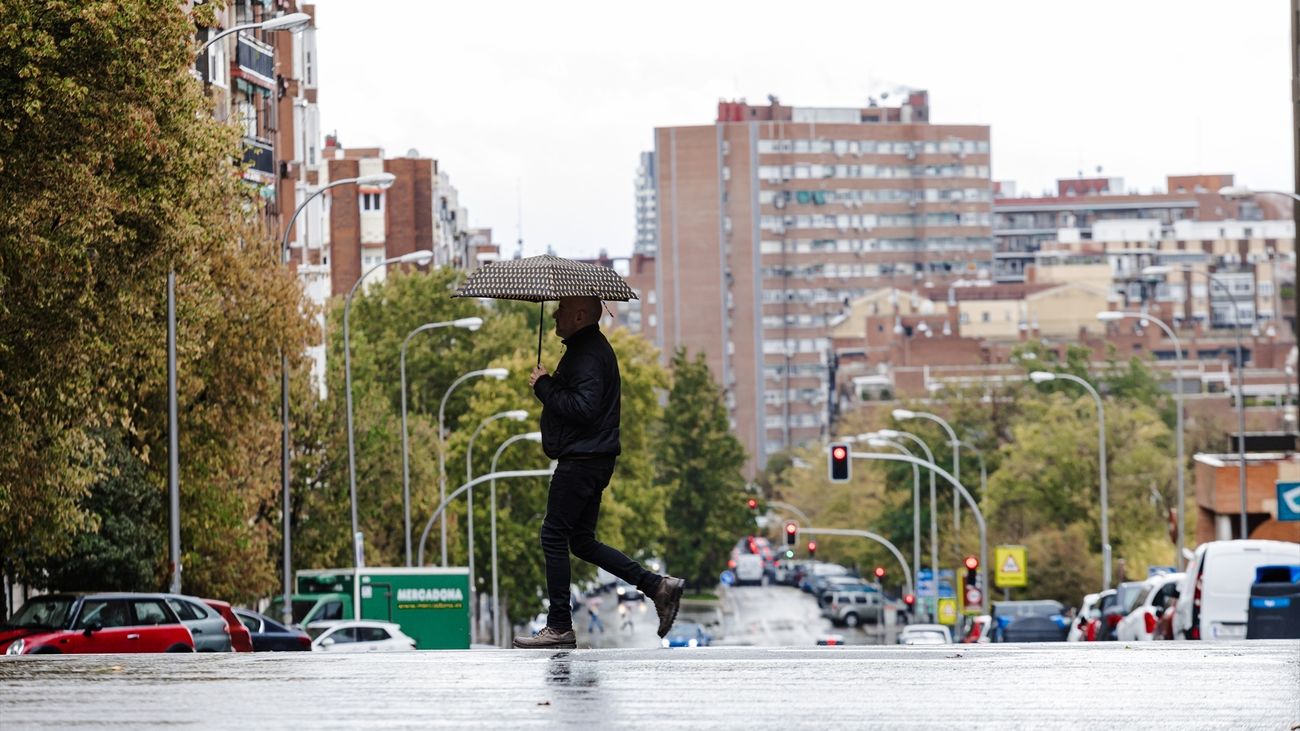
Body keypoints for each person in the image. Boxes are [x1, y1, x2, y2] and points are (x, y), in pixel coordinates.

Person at [513, 296, 684, 650]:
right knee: (581, 540)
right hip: (592, 457)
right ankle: (657, 586)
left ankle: (559, 625)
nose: (556, 313)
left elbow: (584, 407)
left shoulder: (589, 352)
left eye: (562, 308)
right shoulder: (584, 348)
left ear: (580, 315)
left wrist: (544, 386)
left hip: (583, 459)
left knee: (553, 535)